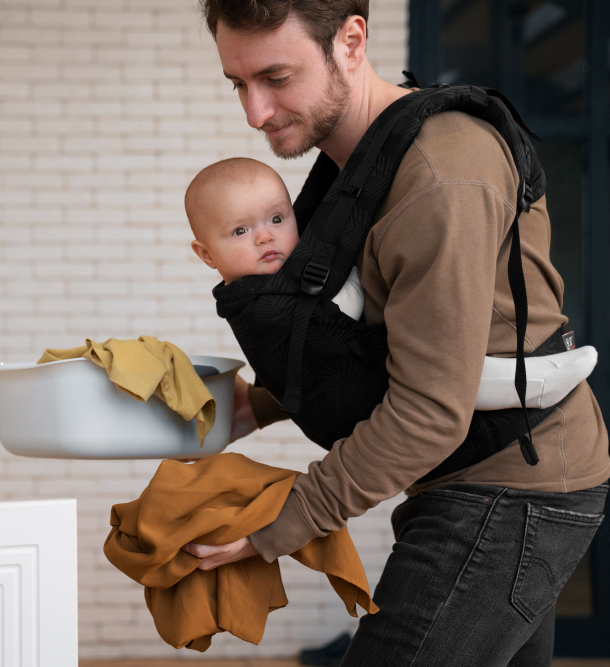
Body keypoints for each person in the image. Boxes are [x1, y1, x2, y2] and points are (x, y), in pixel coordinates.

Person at [178, 2, 610, 664]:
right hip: (478, 475)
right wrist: (249, 406)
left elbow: (431, 406)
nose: (254, 113)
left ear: (351, 40)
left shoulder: (438, 173)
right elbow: (379, 334)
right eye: (239, 84)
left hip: (513, 481)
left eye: (276, 77)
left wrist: (286, 517)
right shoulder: (361, 165)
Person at [184, 155, 595, 415]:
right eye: (240, 230)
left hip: (357, 367)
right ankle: (533, 384)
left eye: (277, 219)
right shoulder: (252, 304)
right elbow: (328, 319)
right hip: (368, 396)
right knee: (447, 380)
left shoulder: (277, 275)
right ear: (206, 255)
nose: (265, 237)